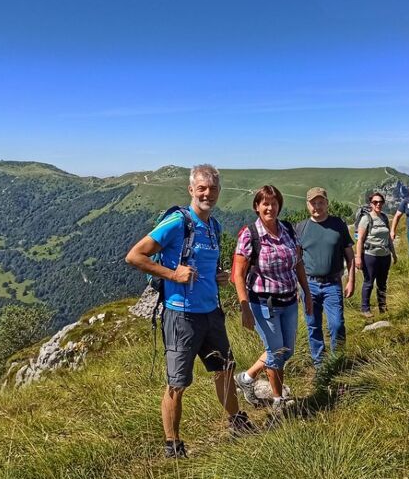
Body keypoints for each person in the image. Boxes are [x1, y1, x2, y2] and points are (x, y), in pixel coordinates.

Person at [125, 164, 254, 459]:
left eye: (212, 189)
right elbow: (134, 255)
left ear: (219, 191)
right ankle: (173, 446)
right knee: (177, 383)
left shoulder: (214, 226)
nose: (207, 193)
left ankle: (236, 423)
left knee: (224, 370)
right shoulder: (177, 222)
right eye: (202, 188)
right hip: (181, 316)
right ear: (191, 190)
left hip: (211, 313)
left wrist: (221, 276)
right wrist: (172, 275)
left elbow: (206, 266)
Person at [232, 185, 312, 416]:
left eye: (274, 203)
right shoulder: (250, 234)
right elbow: (237, 274)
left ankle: (246, 378)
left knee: (286, 351)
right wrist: (244, 306)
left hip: (289, 301)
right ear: (257, 207)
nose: (270, 207)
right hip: (263, 303)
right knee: (276, 352)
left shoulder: (287, 229)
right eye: (265, 203)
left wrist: (306, 292)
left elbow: (297, 263)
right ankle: (278, 402)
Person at [296, 187, 355, 368]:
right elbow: (296, 260)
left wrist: (351, 280)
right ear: (307, 206)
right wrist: (298, 286)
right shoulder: (301, 228)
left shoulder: (338, 224)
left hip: (333, 284)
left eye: (321, 202)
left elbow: (349, 255)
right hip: (308, 285)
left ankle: (337, 362)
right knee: (313, 326)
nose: (317, 206)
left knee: (336, 325)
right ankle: (320, 366)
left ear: (327, 203)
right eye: (313, 203)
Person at [355, 191, 396, 318]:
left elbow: (388, 237)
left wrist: (393, 253)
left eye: (380, 202)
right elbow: (360, 239)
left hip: (385, 255)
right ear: (371, 204)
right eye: (375, 202)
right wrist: (358, 257)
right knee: (369, 282)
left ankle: (383, 307)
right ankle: (365, 308)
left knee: (382, 283)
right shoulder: (366, 219)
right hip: (370, 255)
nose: (378, 204)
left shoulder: (384, 217)